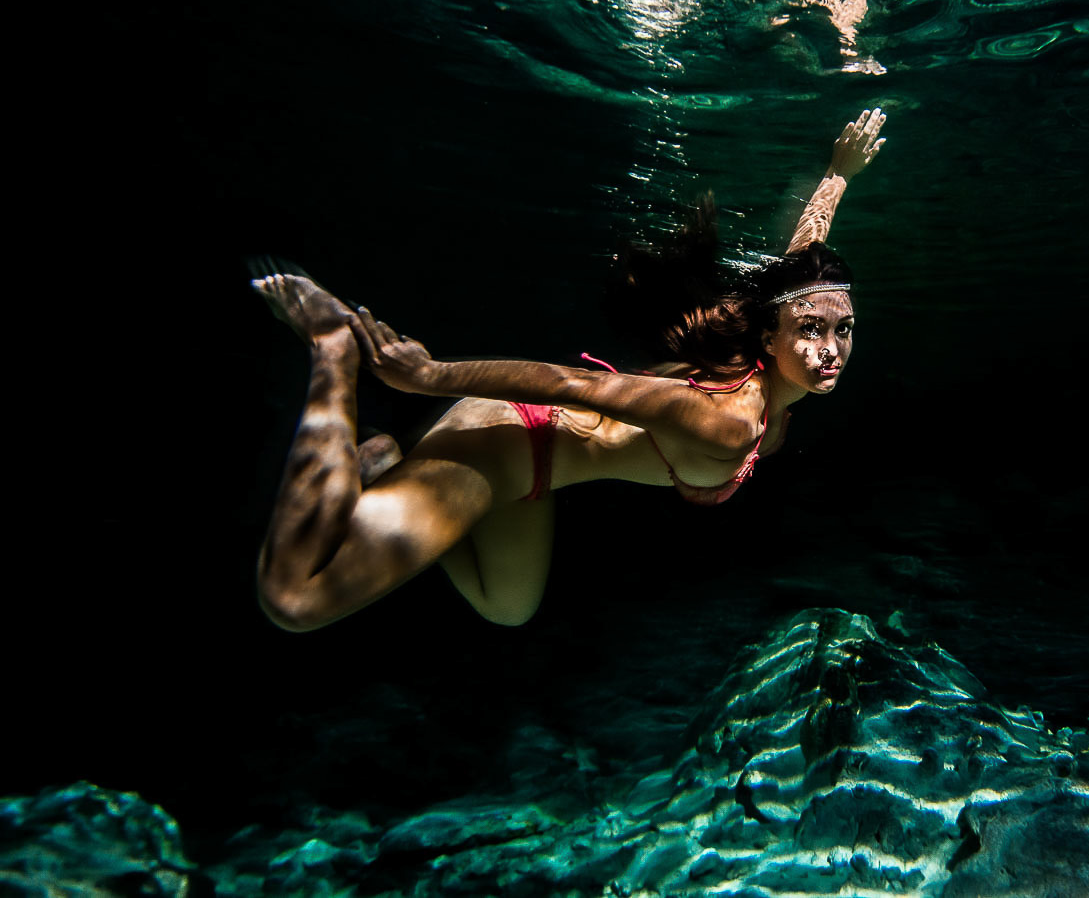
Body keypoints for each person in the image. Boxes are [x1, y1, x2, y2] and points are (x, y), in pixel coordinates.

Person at [250, 108, 887, 632]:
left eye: (843, 329)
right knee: (294, 602)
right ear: (774, 338)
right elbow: (579, 384)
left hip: (541, 475)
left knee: (507, 606)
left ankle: (387, 468)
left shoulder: (767, 330)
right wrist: (428, 375)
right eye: (811, 331)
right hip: (510, 437)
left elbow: (803, 265)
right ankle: (332, 348)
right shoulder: (730, 420)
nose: (830, 347)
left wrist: (837, 174)